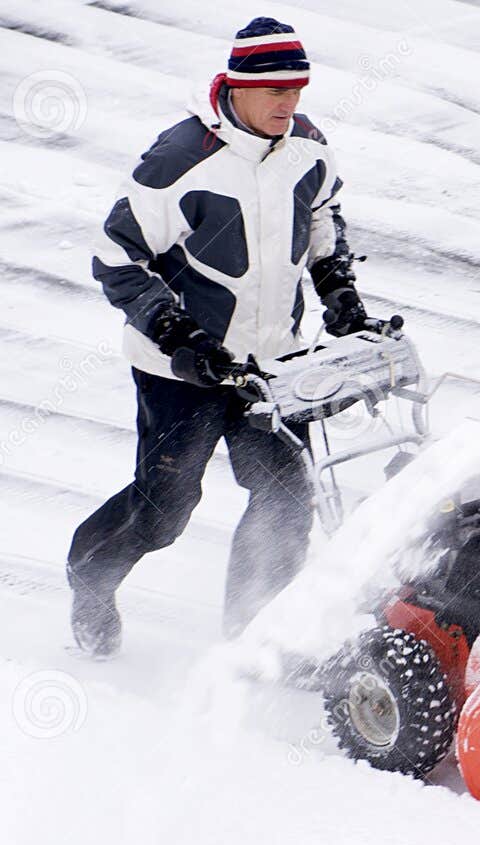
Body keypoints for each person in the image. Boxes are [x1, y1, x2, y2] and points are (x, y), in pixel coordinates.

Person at [68, 16, 395, 655]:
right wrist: (176, 332)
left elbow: (324, 215)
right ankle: (90, 579)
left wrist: (338, 291)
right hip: (181, 372)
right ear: (237, 86)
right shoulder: (179, 160)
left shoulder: (309, 146)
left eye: (298, 89)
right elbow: (117, 257)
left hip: (273, 366)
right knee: (164, 511)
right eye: (276, 91)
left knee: (286, 506)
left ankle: (253, 641)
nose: (289, 103)